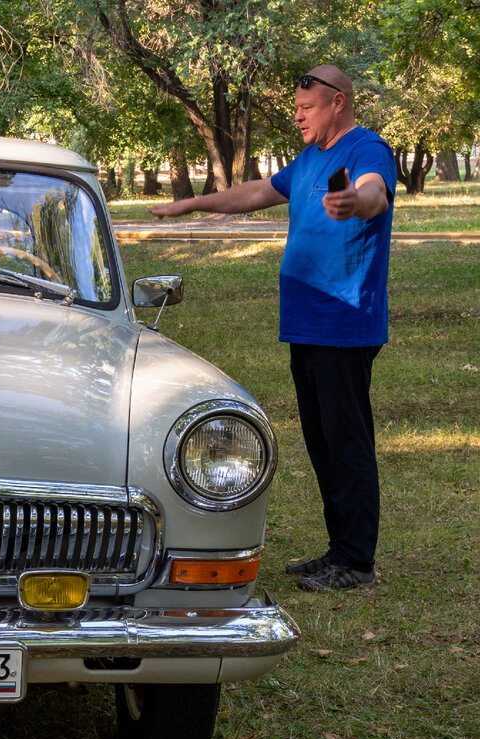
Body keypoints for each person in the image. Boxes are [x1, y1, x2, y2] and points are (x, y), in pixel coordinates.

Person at [150, 65, 397, 592]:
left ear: (339, 102)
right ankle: (339, 550)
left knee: (346, 440)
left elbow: (374, 191)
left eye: (308, 108)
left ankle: (357, 562)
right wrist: (192, 204)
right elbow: (258, 192)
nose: (299, 116)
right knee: (322, 441)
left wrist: (356, 201)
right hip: (307, 324)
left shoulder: (365, 148)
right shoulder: (311, 159)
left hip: (343, 323)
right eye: (296, 108)